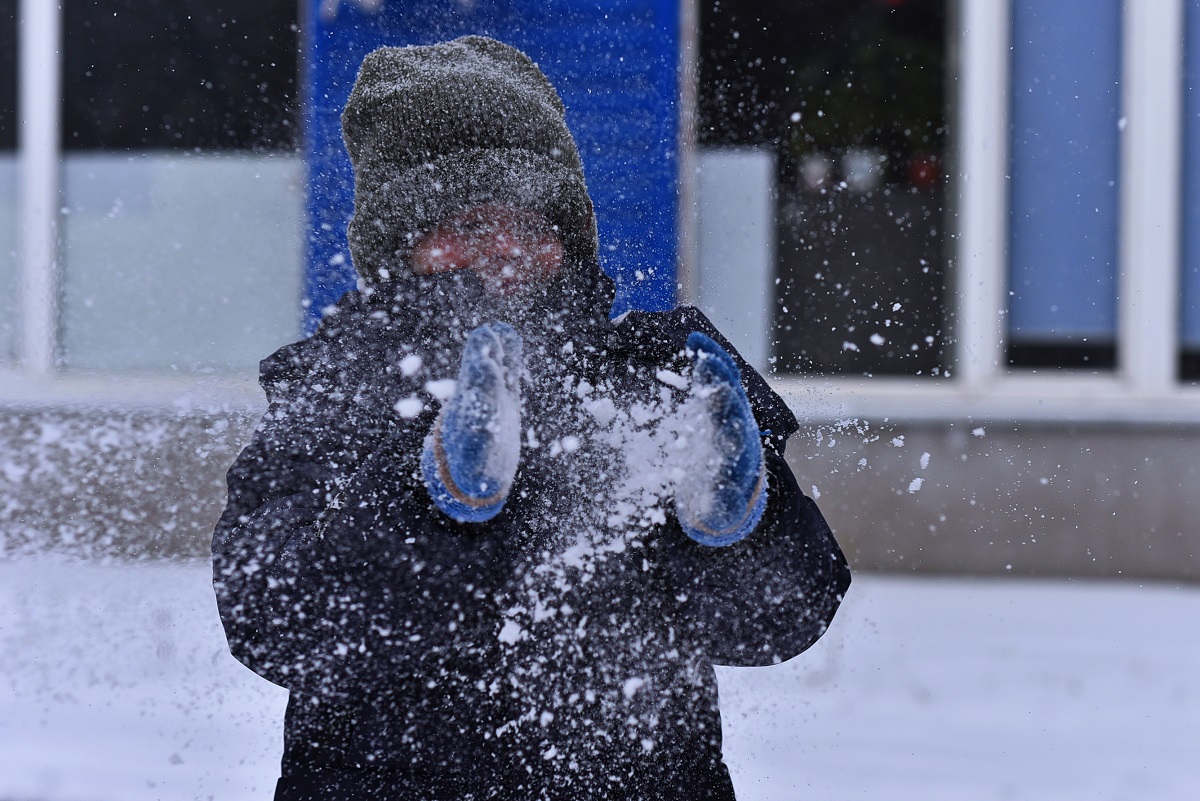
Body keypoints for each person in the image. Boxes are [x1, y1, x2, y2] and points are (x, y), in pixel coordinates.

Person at [212, 35, 850, 801]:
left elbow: (778, 621)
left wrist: (739, 525)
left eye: (533, 224)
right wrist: (426, 498)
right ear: (400, 243)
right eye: (468, 225)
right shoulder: (340, 392)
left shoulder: (651, 377)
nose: (507, 250)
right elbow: (271, 620)